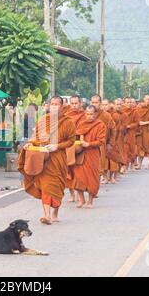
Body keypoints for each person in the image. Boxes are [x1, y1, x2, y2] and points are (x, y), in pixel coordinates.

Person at [18, 96, 75, 225]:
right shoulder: (43, 120)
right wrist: (30, 143)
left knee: (57, 187)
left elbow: (71, 141)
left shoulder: (68, 122)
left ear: (62, 106)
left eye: (57, 104)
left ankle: (55, 213)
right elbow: (36, 137)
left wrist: (57, 146)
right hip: (43, 158)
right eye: (52, 104)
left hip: (58, 158)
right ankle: (46, 215)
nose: (54, 107)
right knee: (45, 186)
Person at [73, 105, 107, 209]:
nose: (89, 116)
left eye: (91, 114)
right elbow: (74, 136)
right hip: (80, 154)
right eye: (87, 114)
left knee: (92, 178)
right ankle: (81, 198)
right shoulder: (81, 124)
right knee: (78, 177)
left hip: (92, 153)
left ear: (95, 114)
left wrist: (89, 144)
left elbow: (101, 140)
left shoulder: (100, 125)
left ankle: (90, 200)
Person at [64, 95, 86, 202]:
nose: (74, 105)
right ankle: (71, 194)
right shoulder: (66, 116)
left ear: (80, 103)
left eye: (76, 103)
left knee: (79, 171)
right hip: (68, 145)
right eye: (72, 103)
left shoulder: (85, 115)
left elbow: (86, 129)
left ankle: (79, 192)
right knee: (68, 171)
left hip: (80, 145)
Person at [90, 95, 115, 184]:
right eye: (92, 102)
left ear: (100, 103)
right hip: (89, 143)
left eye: (96, 102)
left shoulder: (106, 115)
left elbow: (113, 129)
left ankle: (100, 177)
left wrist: (110, 143)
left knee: (100, 161)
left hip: (102, 143)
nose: (94, 104)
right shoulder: (88, 114)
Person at [136, 95, 149, 170]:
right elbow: (136, 117)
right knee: (140, 147)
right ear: (143, 99)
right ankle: (139, 164)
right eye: (146, 99)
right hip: (141, 131)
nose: (148, 100)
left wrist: (146, 122)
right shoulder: (139, 108)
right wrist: (139, 123)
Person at [123, 98, 140, 171]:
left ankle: (132, 164)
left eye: (130, 102)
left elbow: (137, 122)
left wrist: (129, 126)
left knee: (131, 149)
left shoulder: (135, 111)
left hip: (131, 133)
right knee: (124, 149)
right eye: (127, 102)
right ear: (124, 103)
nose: (129, 104)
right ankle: (125, 166)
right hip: (123, 133)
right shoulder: (122, 111)